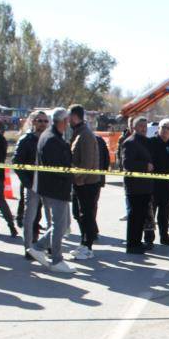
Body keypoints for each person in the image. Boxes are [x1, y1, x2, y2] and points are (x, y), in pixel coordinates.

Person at [28, 108, 76, 273]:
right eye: (67, 121)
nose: (68, 124)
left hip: (52, 187)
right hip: (55, 188)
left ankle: (39, 247)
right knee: (59, 225)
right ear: (63, 121)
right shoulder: (52, 139)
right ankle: (56, 259)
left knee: (60, 225)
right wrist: (70, 172)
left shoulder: (50, 136)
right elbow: (56, 167)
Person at [68, 104, 101, 260]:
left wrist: (80, 179)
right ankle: (83, 243)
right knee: (78, 214)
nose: (67, 120)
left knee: (86, 214)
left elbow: (87, 163)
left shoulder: (85, 135)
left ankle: (88, 247)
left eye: (69, 117)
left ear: (75, 117)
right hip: (80, 182)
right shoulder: (78, 133)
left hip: (87, 183)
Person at [15, 111, 47, 259]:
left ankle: (47, 245)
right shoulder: (25, 140)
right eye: (40, 120)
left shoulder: (50, 139)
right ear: (33, 122)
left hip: (48, 186)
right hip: (31, 185)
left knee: (52, 218)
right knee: (30, 217)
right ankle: (28, 247)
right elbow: (17, 163)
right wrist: (27, 183)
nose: (43, 124)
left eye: (45, 121)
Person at [120, 116, 154, 254]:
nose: (144, 129)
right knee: (134, 217)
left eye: (145, 126)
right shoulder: (130, 142)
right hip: (135, 187)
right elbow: (127, 164)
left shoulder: (146, 141)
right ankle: (132, 244)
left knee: (141, 217)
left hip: (145, 186)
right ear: (134, 127)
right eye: (140, 126)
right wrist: (145, 166)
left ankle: (138, 242)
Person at [148, 118, 169, 245]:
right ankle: (149, 239)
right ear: (159, 129)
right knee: (150, 214)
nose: (166, 130)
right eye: (164, 127)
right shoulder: (151, 142)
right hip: (153, 185)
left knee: (165, 215)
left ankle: (164, 237)